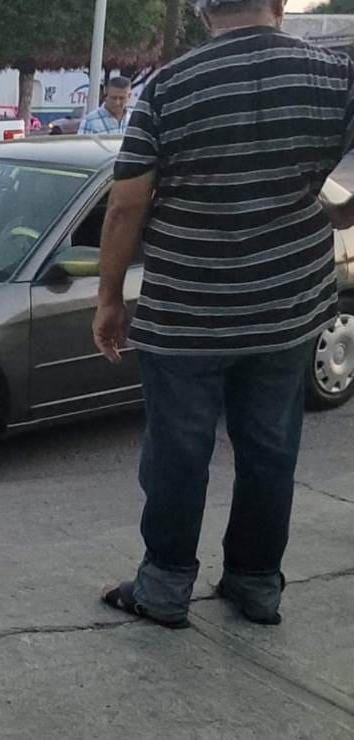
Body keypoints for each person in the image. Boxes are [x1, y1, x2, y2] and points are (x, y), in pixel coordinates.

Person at [93, 0, 354, 629]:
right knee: (270, 449)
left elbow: (127, 204)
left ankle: (164, 587)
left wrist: (108, 301)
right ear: (278, 6)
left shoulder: (171, 87)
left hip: (186, 313)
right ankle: (257, 583)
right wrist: (343, 215)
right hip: (286, 309)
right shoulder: (334, 75)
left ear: (206, 13)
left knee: (177, 454)